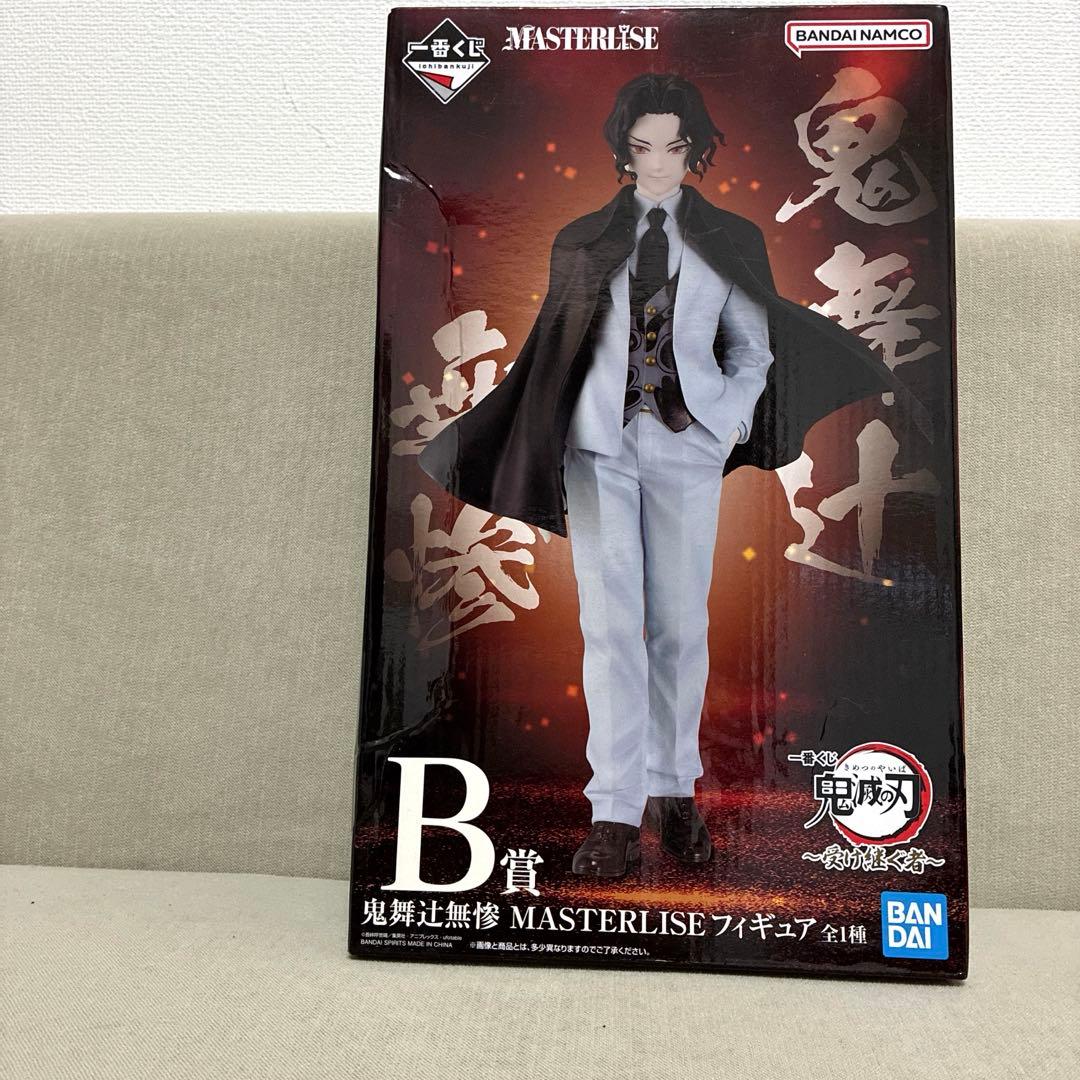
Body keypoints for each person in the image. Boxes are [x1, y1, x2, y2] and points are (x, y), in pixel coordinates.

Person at [418, 73, 932, 880]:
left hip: (688, 448)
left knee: (681, 626)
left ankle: (674, 792)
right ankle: (614, 810)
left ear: (696, 149)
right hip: (598, 448)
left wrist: (725, 425)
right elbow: (554, 349)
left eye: (673, 146)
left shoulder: (729, 236)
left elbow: (754, 348)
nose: (657, 162)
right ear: (622, 151)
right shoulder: (583, 237)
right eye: (642, 147)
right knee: (609, 628)